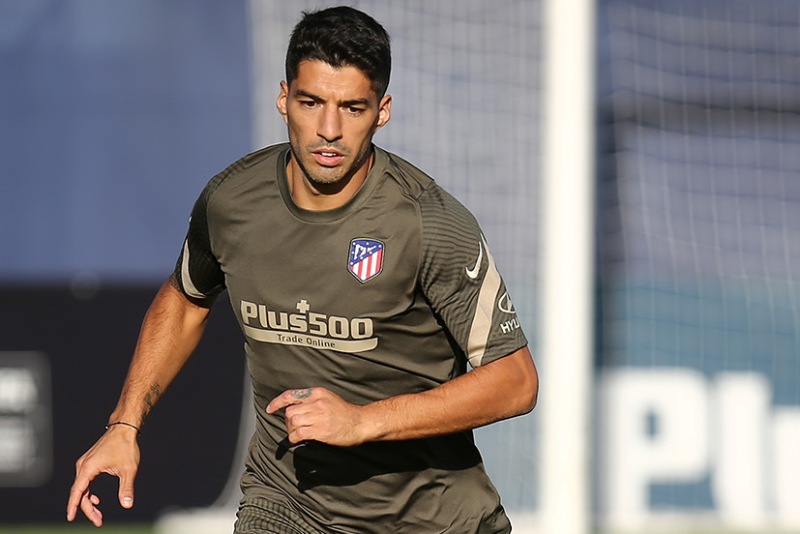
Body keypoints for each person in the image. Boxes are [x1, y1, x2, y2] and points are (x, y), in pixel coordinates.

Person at [66, 6, 538, 533]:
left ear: (381, 112)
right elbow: (184, 301)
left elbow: (515, 382)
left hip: (432, 519)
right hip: (289, 504)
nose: (329, 129)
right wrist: (125, 424)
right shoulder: (232, 202)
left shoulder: (428, 223)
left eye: (352, 108)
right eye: (311, 102)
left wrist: (362, 422)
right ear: (283, 98)